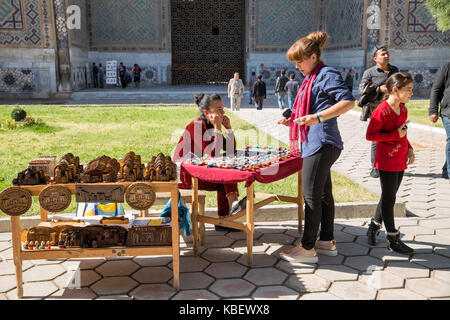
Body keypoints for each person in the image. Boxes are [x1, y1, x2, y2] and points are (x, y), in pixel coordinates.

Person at [277, 31, 355, 263]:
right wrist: (293, 118)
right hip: (319, 143)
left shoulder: (326, 73)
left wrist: (318, 118)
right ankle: (326, 241)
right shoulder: (314, 76)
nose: (298, 66)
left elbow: (348, 101)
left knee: (311, 195)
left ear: (312, 56)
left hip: (322, 143)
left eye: (300, 61)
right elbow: (311, 107)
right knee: (322, 194)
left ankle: (307, 247)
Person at [174, 93, 246, 231]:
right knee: (224, 173)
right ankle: (232, 206)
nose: (223, 112)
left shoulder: (211, 125)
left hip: (197, 169)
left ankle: (224, 220)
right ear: (206, 112)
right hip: (184, 174)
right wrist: (218, 127)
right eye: (218, 109)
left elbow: (230, 149)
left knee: (224, 179)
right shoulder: (196, 125)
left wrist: (228, 128)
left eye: (223, 108)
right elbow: (215, 155)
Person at [366, 72, 415, 255]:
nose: (411, 93)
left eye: (412, 90)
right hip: (386, 160)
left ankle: (373, 227)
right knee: (389, 199)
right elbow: (370, 135)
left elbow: (403, 131)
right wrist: (396, 136)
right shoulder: (382, 111)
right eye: (408, 90)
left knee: (389, 196)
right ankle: (393, 238)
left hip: (400, 158)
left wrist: (409, 148)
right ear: (395, 90)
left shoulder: (403, 109)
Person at [359, 45, 399, 179]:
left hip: (393, 109)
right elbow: (362, 89)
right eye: (383, 54)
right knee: (377, 139)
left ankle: (391, 164)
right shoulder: (369, 73)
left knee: (393, 136)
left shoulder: (395, 70)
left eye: (387, 53)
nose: (386, 56)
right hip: (376, 110)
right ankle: (375, 167)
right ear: (375, 58)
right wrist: (379, 89)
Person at [428, 61, 450, 180]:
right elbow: (436, 89)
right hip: (449, 112)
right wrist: (433, 110)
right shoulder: (446, 68)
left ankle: (446, 169)